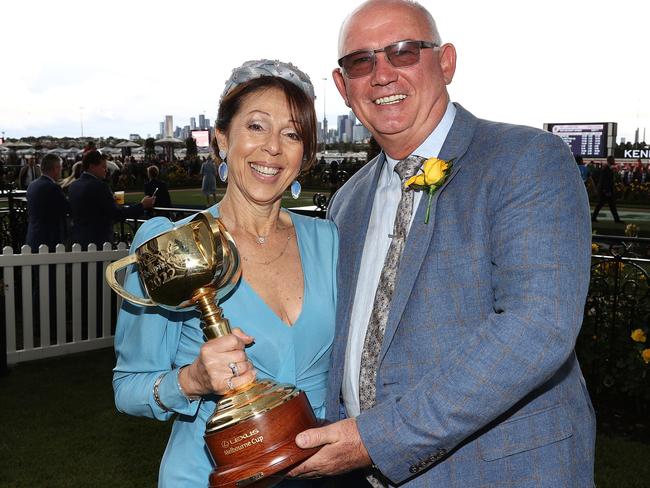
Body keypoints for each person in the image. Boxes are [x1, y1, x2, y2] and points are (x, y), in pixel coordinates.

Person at [289, 1, 595, 486]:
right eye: (361, 62)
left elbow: (537, 327)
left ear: (446, 62)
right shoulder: (349, 200)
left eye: (404, 52)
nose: (382, 75)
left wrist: (376, 439)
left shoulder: (527, 160)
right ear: (344, 86)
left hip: (502, 472)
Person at [112, 60, 338, 487]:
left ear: (304, 155)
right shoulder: (173, 247)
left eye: (291, 134)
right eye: (256, 126)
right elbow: (128, 388)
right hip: (208, 475)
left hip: (319, 473)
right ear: (221, 138)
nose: (272, 147)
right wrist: (192, 381)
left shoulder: (330, 243)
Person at [68, 150, 155, 249]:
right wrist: (142, 205)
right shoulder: (99, 186)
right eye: (103, 167)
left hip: (77, 240)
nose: (106, 170)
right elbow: (116, 214)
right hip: (98, 241)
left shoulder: (74, 185)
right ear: (92, 166)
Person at [25, 154, 70, 252]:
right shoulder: (52, 187)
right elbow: (67, 208)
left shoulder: (32, 185)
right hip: (49, 239)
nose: (61, 171)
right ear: (56, 168)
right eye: (60, 168)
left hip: (33, 236)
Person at [592, 155, 623, 223]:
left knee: (609, 205)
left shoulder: (608, 168)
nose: (614, 161)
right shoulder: (606, 169)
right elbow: (604, 180)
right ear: (610, 161)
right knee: (603, 204)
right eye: (613, 160)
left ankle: (616, 219)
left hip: (606, 189)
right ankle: (593, 218)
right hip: (605, 190)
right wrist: (606, 190)